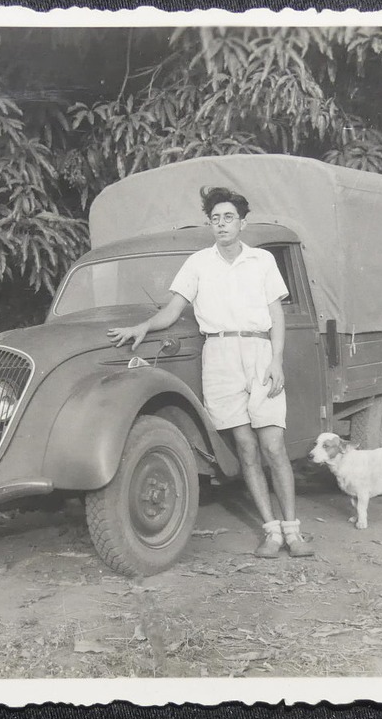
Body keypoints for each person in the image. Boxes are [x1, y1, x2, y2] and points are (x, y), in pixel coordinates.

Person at [107, 186, 306, 559]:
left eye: (228, 217)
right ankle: (271, 532)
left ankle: (293, 531)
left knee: (273, 446)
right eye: (215, 219)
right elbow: (172, 310)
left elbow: (276, 314)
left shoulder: (261, 260)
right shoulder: (198, 263)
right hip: (218, 354)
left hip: (259, 351)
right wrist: (142, 328)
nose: (221, 225)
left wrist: (276, 360)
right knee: (246, 448)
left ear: (242, 223)